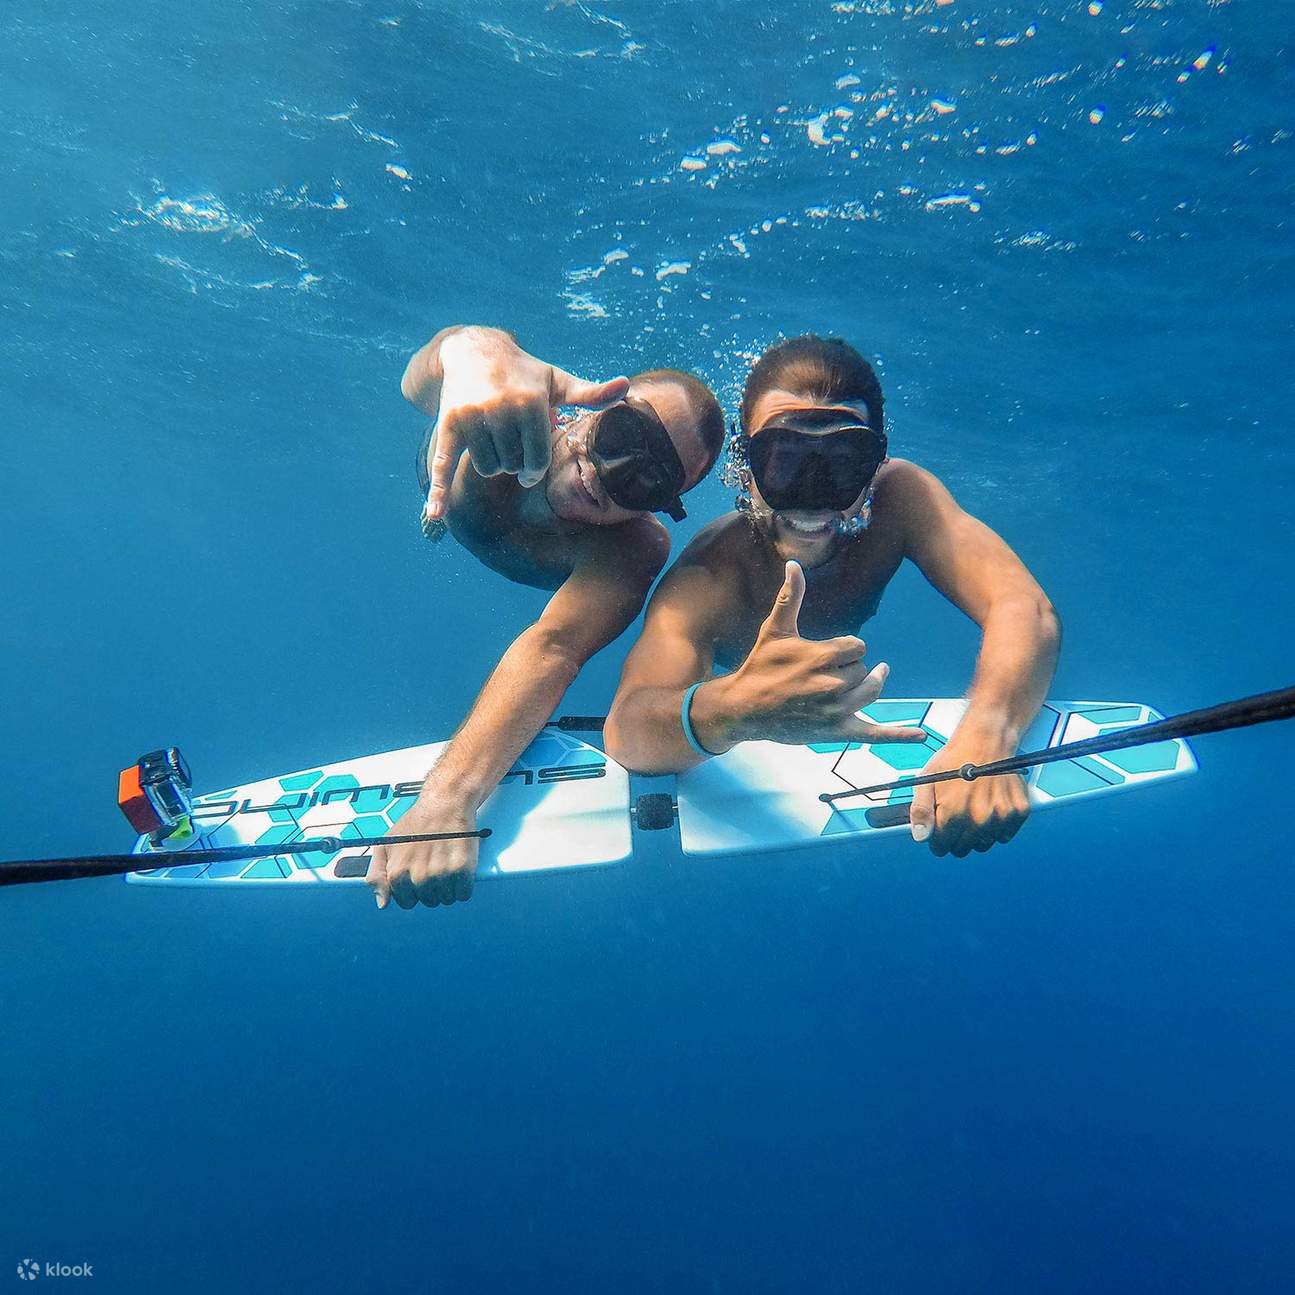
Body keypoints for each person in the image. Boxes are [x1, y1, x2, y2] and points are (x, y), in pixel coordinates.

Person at [603, 334, 1061, 859]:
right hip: (731, 683)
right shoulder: (713, 572)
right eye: (783, 460)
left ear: (875, 466)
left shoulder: (901, 499)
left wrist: (989, 734)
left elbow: (1023, 607)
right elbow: (627, 728)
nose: (812, 497)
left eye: (842, 461)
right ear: (744, 464)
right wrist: (735, 707)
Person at [369, 325, 724, 909]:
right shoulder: (506, 424)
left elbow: (553, 646)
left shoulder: (632, 548)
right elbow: (419, 381)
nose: (609, 474)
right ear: (588, 409)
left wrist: (448, 800)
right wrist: (471, 350)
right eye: (624, 434)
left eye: (648, 478)